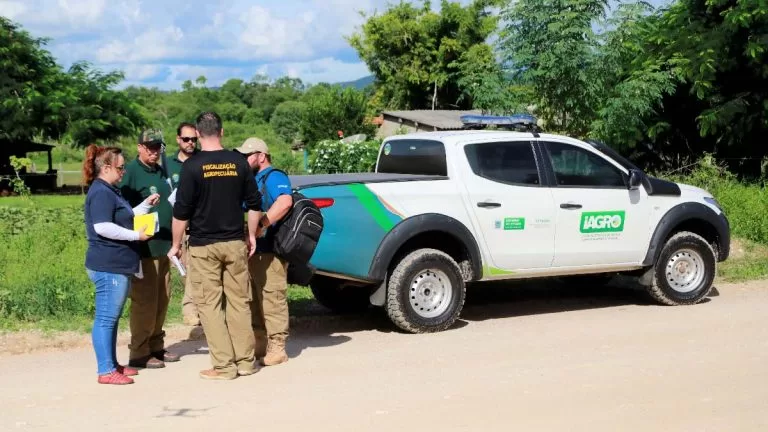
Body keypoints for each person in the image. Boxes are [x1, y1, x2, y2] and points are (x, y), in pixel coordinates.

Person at [168, 111, 263, 380]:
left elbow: (181, 212)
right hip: (234, 242)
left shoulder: (192, 166)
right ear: (221, 131)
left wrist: (176, 244)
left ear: (197, 134)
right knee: (239, 302)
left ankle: (223, 366)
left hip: (203, 246)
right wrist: (252, 235)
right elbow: (255, 204)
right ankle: (245, 362)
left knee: (209, 306)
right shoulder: (239, 162)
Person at [82, 144, 158, 385]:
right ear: (106, 168)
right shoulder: (101, 192)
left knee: (111, 318)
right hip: (108, 265)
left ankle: (112, 364)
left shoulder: (110, 190)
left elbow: (123, 216)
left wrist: (145, 206)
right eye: (121, 167)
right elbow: (102, 227)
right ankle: (105, 370)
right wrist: (137, 236)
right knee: (105, 318)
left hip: (117, 264)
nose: (124, 171)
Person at [119, 129, 180, 369]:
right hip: (143, 248)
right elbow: (122, 211)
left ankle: (156, 345)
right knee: (145, 301)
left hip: (164, 246)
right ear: (139, 147)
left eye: (158, 147)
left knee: (162, 299)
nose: (154, 152)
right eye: (150, 147)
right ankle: (139, 352)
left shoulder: (160, 171)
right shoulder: (131, 174)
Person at [235, 137, 294, 366]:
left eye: (247, 155)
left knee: (272, 298)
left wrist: (262, 225)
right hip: (255, 250)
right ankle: (260, 344)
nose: (244, 159)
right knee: (254, 299)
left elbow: (285, 201)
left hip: (270, 250)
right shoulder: (253, 178)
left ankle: (277, 347)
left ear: (261, 155)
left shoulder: (274, 176)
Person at [165, 122, 201, 326]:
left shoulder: (201, 161)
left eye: (194, 139)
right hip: (175, 224)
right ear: (178, 139)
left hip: (197, 224)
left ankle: (191, 309)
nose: (190, 143)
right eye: (186, 139)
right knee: (184, 270)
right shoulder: (167, 164)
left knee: (196, 269)